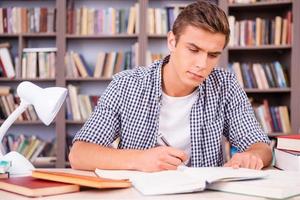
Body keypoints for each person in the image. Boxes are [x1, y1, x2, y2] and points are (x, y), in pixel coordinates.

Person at [69, 0, 272, 172]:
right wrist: (140, 159)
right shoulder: (126, 84)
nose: (202, 64)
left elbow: (261, 146)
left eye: (212, 55)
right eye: (193, 49)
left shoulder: (225, 85)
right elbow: (79, 154)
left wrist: (252, 157)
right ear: (172, 41)